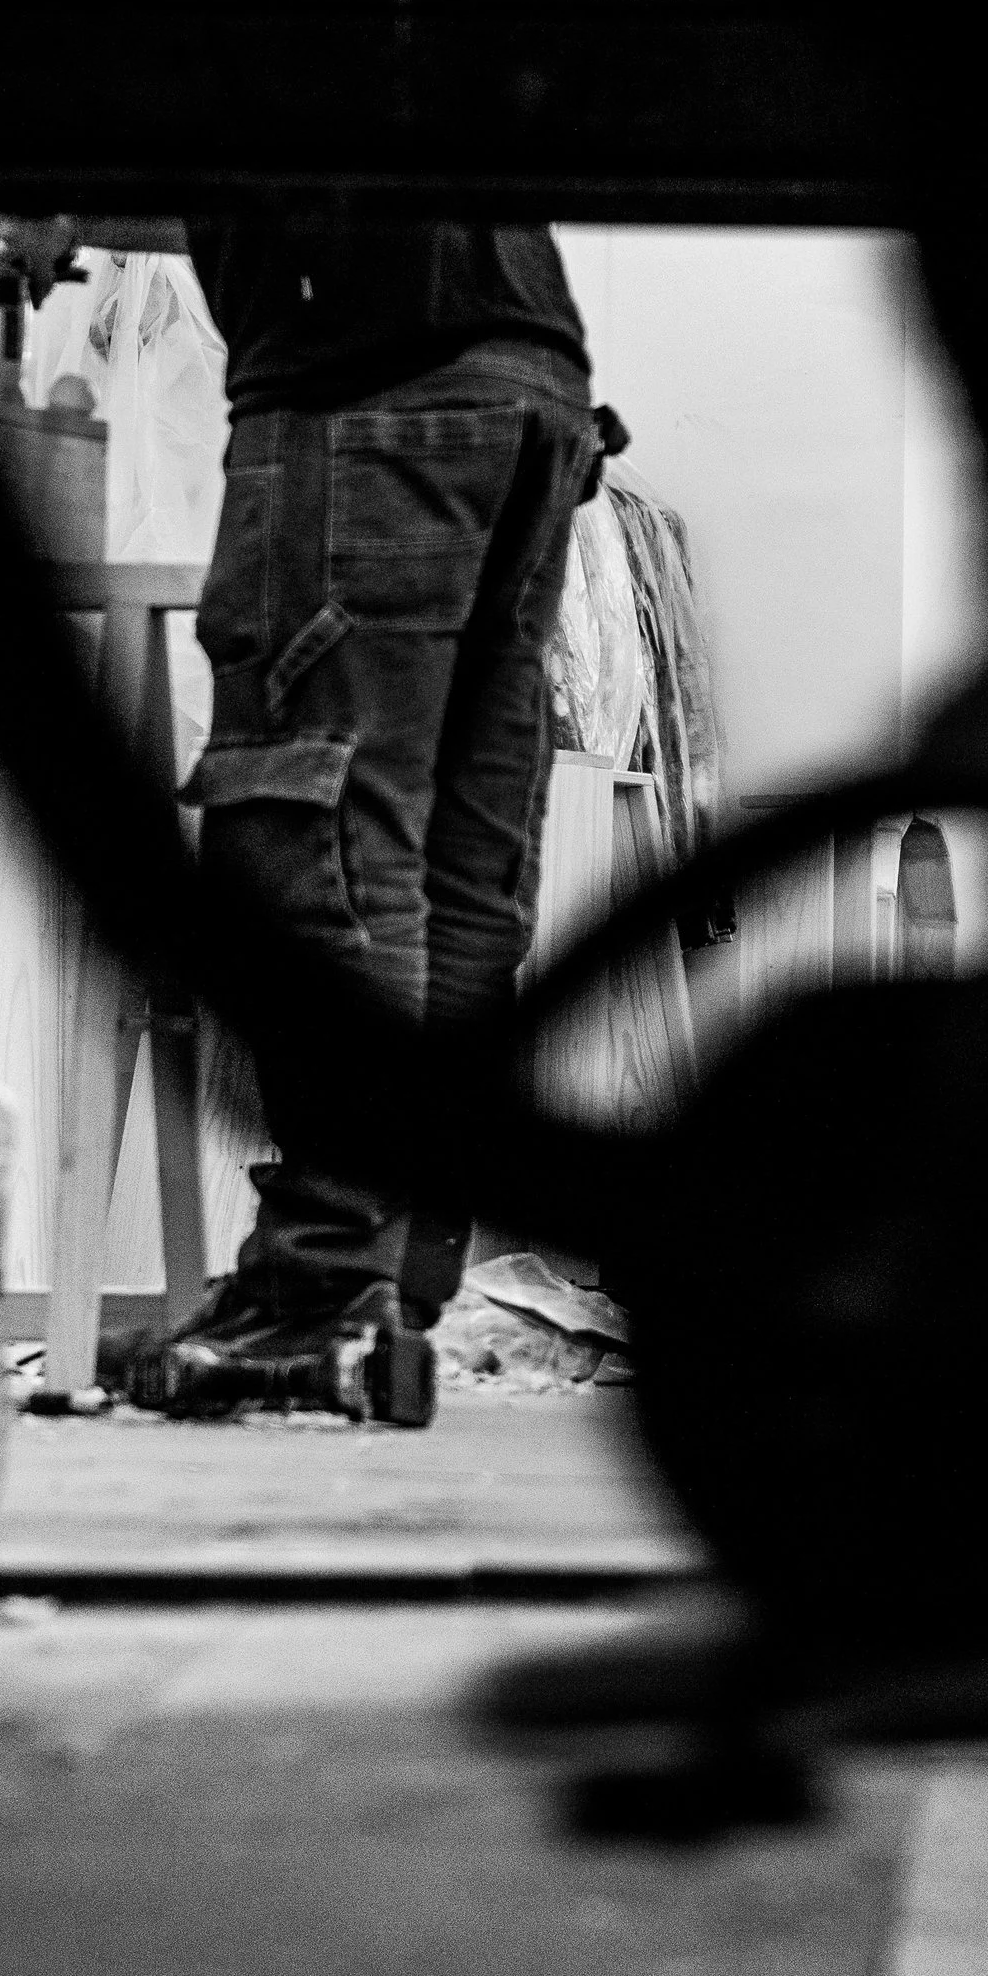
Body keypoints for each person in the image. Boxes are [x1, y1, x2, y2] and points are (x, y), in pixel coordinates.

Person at [125, 218, 607, 1417]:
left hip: (365, 363)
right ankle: (392, 1280)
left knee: (324, 832)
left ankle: (321, 1286)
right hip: (531, 381)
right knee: (459, 863)